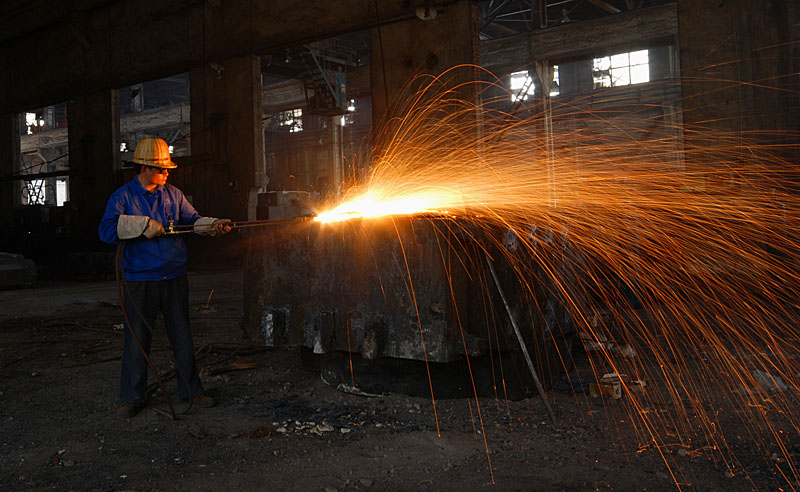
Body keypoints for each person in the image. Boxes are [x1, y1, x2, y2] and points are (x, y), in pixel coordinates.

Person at [98, 137, 232, 418]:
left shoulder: (173, 194)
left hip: (173, 276)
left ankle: (191, 390)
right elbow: (107, 231)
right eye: (162, 169)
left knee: (182, 336)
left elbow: (191, 220)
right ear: (145, 168)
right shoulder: (123, 197)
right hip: (140, 279)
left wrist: (210, 225)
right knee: (137, 340)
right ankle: (132, 397)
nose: (167, 173)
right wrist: (141, 225)